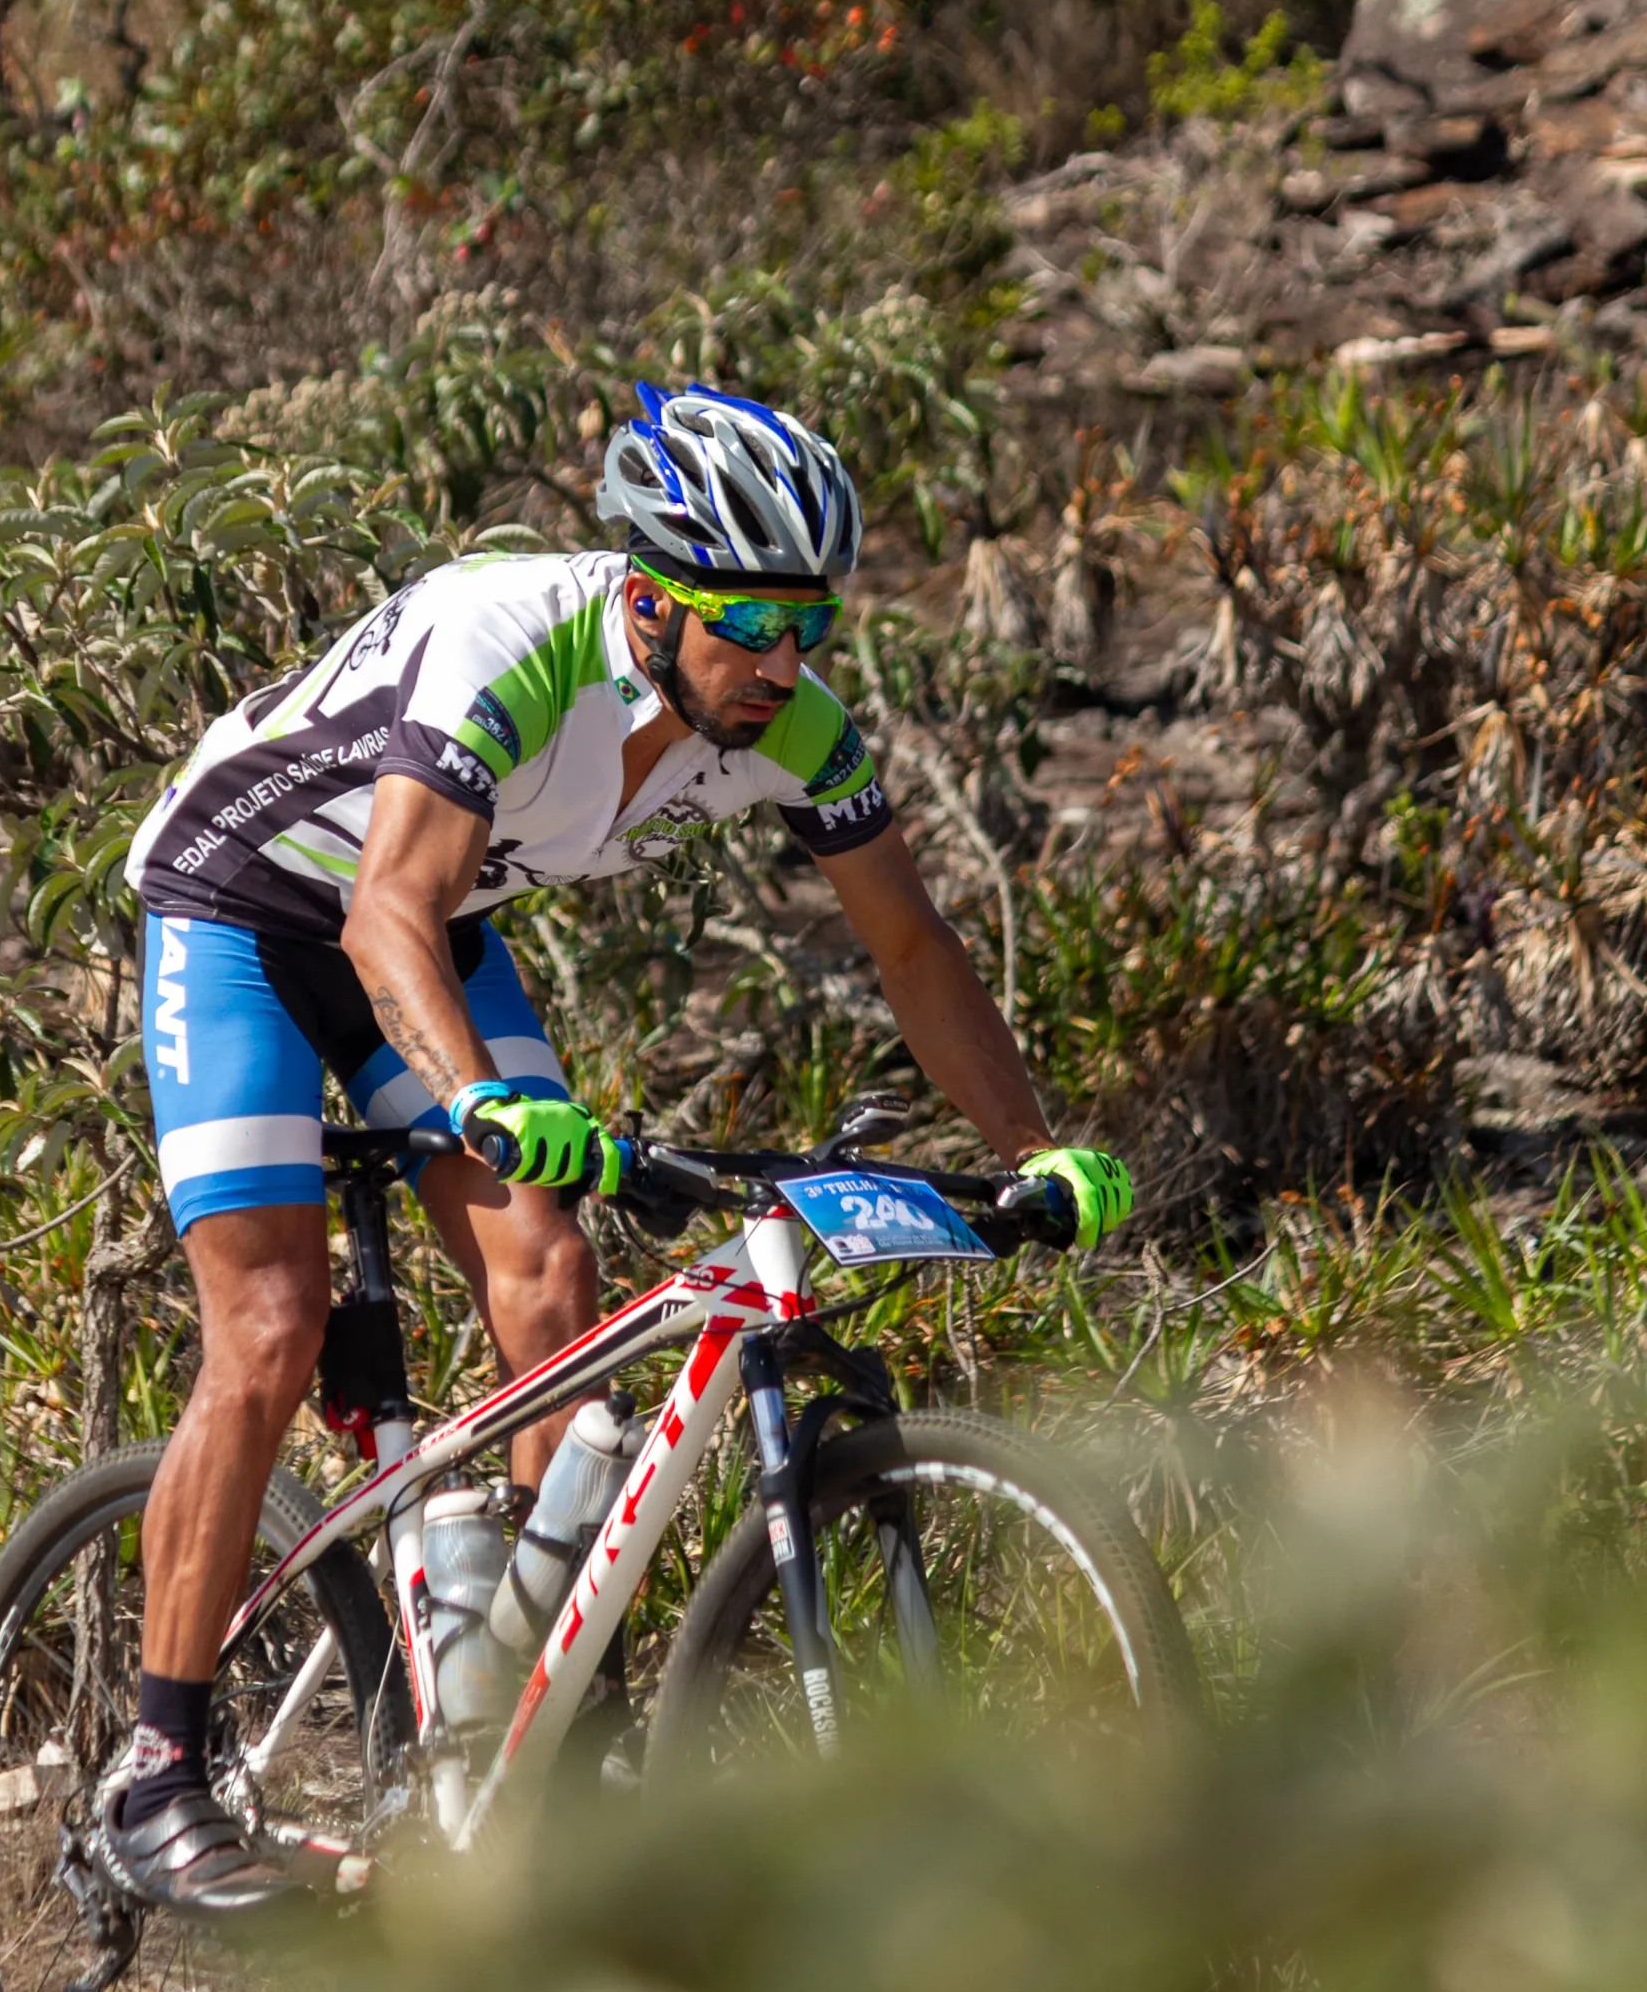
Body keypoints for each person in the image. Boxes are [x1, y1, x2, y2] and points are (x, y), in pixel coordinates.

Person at [109, 382, 1134, 1909]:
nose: (781, 667)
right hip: (251, 903)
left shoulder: (791, 723)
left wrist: (1036, 1149)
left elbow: (911, 947)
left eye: (809, 629)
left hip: (429, 929)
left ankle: (524, 1735)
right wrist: (480, 1100)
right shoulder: (512, 647)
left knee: (552, 1270)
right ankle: (157, 1769)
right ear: (652, 601)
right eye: (748, 627)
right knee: (270, 1323)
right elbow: (383, 905)